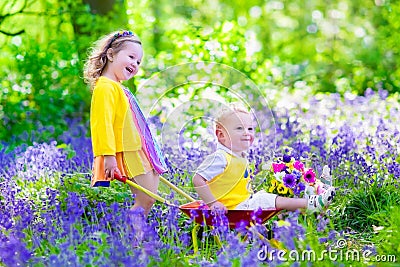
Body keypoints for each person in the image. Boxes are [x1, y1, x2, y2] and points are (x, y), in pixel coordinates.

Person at [83, 30, 167, 217]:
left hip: (140, 149)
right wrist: (108, 157)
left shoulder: (117, 87)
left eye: (138, 62)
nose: (135, 64)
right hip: (129, 151)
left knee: (149, 199)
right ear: (111, 54)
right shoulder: (105, 87)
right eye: (131, 57)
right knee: (144, 199)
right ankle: (132, 241)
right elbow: (101, 124)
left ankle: (136, 239)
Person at [192, 104, 335, 213]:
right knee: (270, 200)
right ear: (221, 135)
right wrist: (213, 204)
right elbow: (197, 179)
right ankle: (312, 204)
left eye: (250, 129)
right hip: (233, 208)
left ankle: (315, 191)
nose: (247, 133)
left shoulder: (239, 156)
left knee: (274, 194)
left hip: (244, 202)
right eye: (239, 128)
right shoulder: (220, 158)